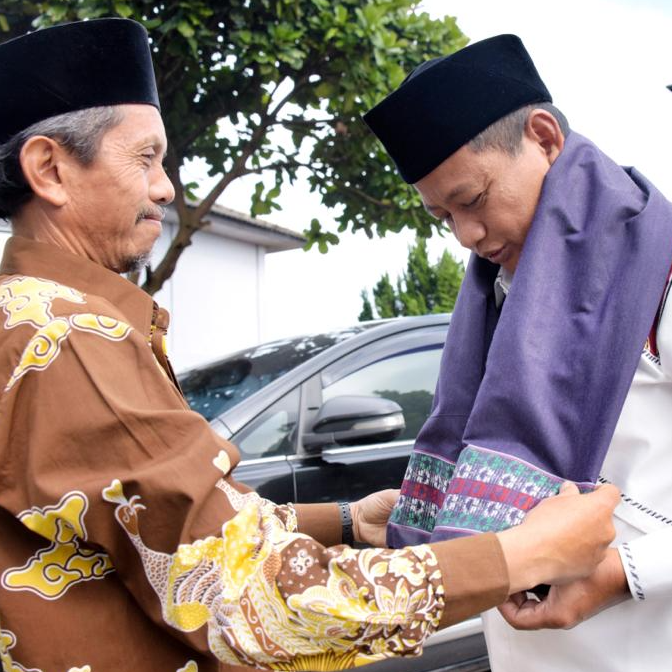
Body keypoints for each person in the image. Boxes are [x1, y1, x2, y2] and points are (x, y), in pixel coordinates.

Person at [0, 20, 619, 672]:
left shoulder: (30, 319)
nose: (166, 187)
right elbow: (259, 599)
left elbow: (157, 526)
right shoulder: (67, 338)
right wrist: (525, 554)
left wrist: (348, 522)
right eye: (145, 158)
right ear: (50, 169)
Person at [364, 33, 672, 672]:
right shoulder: (494, 300)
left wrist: (624, 573)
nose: (465, 236)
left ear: (544, 138)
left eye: (472, 200)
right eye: (442, 217)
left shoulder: (660, 272)